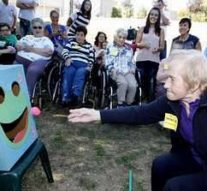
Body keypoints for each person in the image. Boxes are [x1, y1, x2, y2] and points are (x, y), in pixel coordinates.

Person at [68, 49, 207, 191]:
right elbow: (140, 113)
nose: (165, 85)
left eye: (172, 79)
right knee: (160, 165)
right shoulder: (173, 102)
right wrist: (98, 115)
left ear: (194, 85)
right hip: (195, 157)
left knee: (174, 187)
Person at [15, 18, 54, 98]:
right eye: (35, 27)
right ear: (31, 29)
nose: (37, 29)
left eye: (40, 27)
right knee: (14, 68)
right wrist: (18, 46)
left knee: (32, 70)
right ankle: (15, 95)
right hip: (21, 59)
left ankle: (27, 96)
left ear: (43, 29)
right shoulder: (27, 37)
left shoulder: (45, 40)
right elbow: (18, 46)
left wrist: (31, 49)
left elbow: (49, 52)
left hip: (38, 61)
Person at [135, 7, 165, 102]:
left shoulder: (161, 31)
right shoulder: (142, 29)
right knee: (143, 80)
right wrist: (143, 45)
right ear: (149, 16)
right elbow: (136, 44)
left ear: (158, 17)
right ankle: (143, 100)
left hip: (154, 60)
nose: (154, 17)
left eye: (156, 15)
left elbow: (162, 46)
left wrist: (158, 49)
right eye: (152, 14)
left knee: (152, 81)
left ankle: (150, 102)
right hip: (142, 59)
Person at [61, 25, 94, 107]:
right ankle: (66, 98)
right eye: (77, 34)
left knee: (80, 73)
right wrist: (67, 58)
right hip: (71, 63)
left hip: (83, 65)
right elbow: (64, 51)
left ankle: (75, 96)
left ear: (84, 36)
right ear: (75, 35)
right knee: (69, 73)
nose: (79, 37)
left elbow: (91, 57)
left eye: (81, 35)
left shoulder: (89, 46)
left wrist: (89, 66)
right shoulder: (71, 42)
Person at [105, 28, 137, 107]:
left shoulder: (129, 49)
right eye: (120, 37)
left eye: (124, 38)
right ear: (115, 37)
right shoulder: (110, 47)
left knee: (133, 85)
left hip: (127, 71)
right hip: (116, 71)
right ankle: (120, 103)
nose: (122, 39)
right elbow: (107, 61)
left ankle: (128, 104)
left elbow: (132, 62)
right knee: (123, 83)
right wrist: (112, 69)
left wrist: (133, 68)